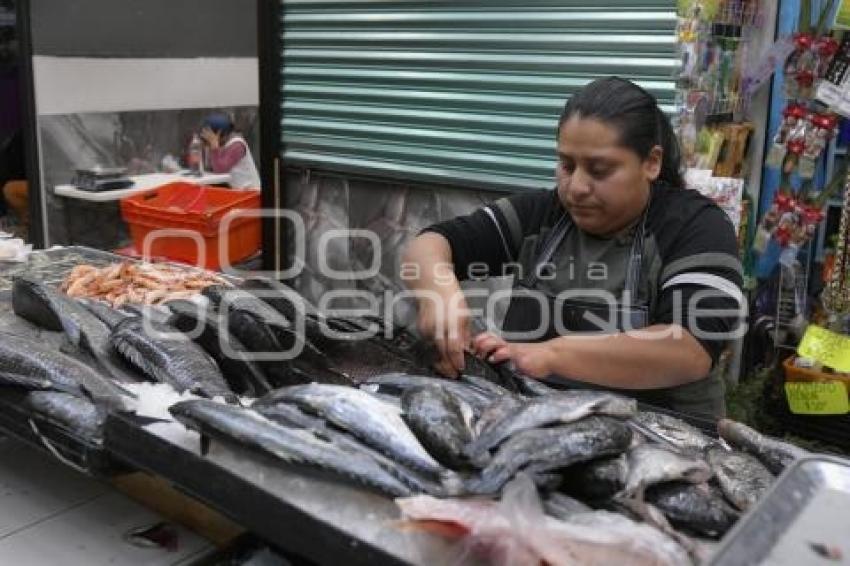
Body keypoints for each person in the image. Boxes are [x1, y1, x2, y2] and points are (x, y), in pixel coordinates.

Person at [402, 77, 743, 418]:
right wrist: (441, 292)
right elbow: (430, 244)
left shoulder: (695, 227)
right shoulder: (544, 216)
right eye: (566, 166)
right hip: (537, 425)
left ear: (651, 162)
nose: (576, 187)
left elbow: (687, 350)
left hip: (668, 442)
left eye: (599, 169)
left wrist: (549, 355)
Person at [199, 113, 261, 189]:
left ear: (219, 134)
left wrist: (214, 147)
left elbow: (220, 170)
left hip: (249, 192)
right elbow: (210, 168)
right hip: (235, 190)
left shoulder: (237, 145)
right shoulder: (222, 144)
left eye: (209, 136)